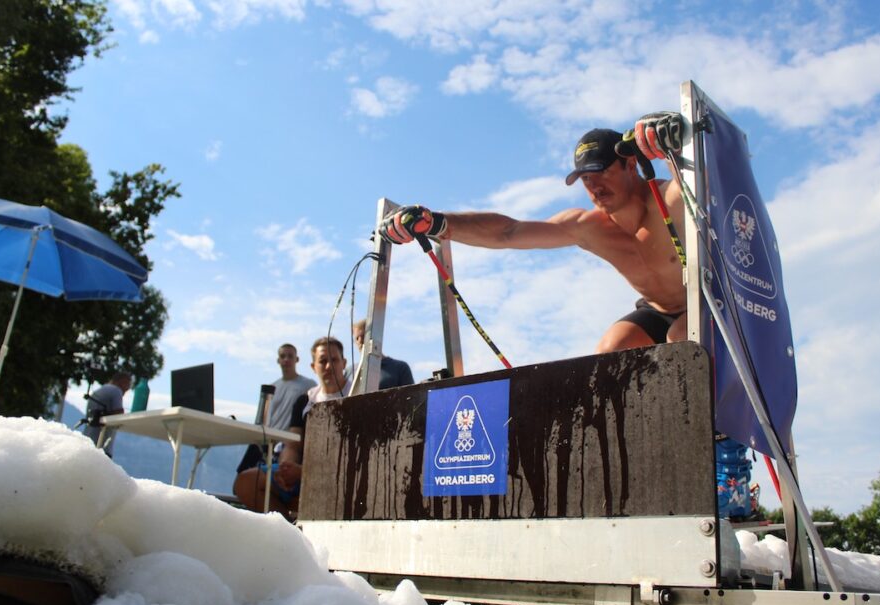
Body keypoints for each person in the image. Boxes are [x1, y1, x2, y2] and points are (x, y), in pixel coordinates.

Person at [379, 113, 688, 353]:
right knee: (610, 352)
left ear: (631, 163)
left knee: (680, 339)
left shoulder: (670, 200)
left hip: (709, 303)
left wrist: (674, 139)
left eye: (601, 172)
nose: (593, 186)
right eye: (585, 179)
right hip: (656, 310)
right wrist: (436, 222)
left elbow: (704, 184)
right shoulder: (590, 227)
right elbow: (509, 232)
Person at [232, 336, 350, 517]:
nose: (328, 366)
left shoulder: (357, 395)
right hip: (302, 474)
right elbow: (293, 443)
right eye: (322, 361)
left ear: (344, 363)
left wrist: (305, 471)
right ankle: (287, 532)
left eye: (333, 360)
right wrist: (285, 468)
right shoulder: (305, 400)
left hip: (339, 474)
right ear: (313, 367)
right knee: (246, 482)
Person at [265, 343, 317, 431]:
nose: (286, 359)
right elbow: (265, 417)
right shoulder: (271, 388)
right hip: (270, 439)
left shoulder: (309, 385)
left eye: (290, 356)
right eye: (282, 356)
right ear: (278, 360)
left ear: (297, 359)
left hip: (293, 440)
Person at [351, 319, 414, 389]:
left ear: (375, 336)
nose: (360, 341)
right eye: (357, 338)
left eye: (363, 336)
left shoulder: (400, 368)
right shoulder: (352, 372)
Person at [81, 371, 131, 457]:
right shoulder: (116, 390)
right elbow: (118, 413)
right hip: (101, 444)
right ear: (122, 382)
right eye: (127, 385)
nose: (127, 389)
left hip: (87, 439)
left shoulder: (99, 391)